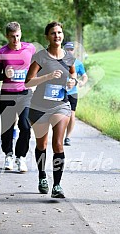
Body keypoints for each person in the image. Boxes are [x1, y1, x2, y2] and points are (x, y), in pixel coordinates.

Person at [25, 21, 77, 198]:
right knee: (42, 144)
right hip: (39, 106)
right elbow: (28, 82)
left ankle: (57, 185)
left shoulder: (69, 57)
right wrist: (46, 76)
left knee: (58, 144)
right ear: (47, 36)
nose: (57, 36)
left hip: (60, 105)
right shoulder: (41, 57)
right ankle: (42, 177)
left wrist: (72, 82)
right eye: (53, 33)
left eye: (60, 32)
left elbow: (73, 74)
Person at [0, 21, 36, 172]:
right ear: (7, 36)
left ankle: (21, 157)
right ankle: (8, 155)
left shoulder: (30, 48)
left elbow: (38, 65)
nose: (15, 40)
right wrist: (4, 74)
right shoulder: (1, 53)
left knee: (25, 126)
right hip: (7, 95)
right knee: (7, 128)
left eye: (17, 36)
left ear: (21, 34)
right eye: (12, 37)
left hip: (25, 94)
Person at [63, 42, 88, 146]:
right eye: (67, 49)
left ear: (73, 51)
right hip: (61, 91)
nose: (69, 51)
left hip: (73, 92)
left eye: (71, 49)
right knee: (61, 115)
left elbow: (84, 76)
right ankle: (59, 134)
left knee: (72, 115)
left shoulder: (78, 63)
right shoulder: (59, 62)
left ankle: (67, 137)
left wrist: (82, 82)